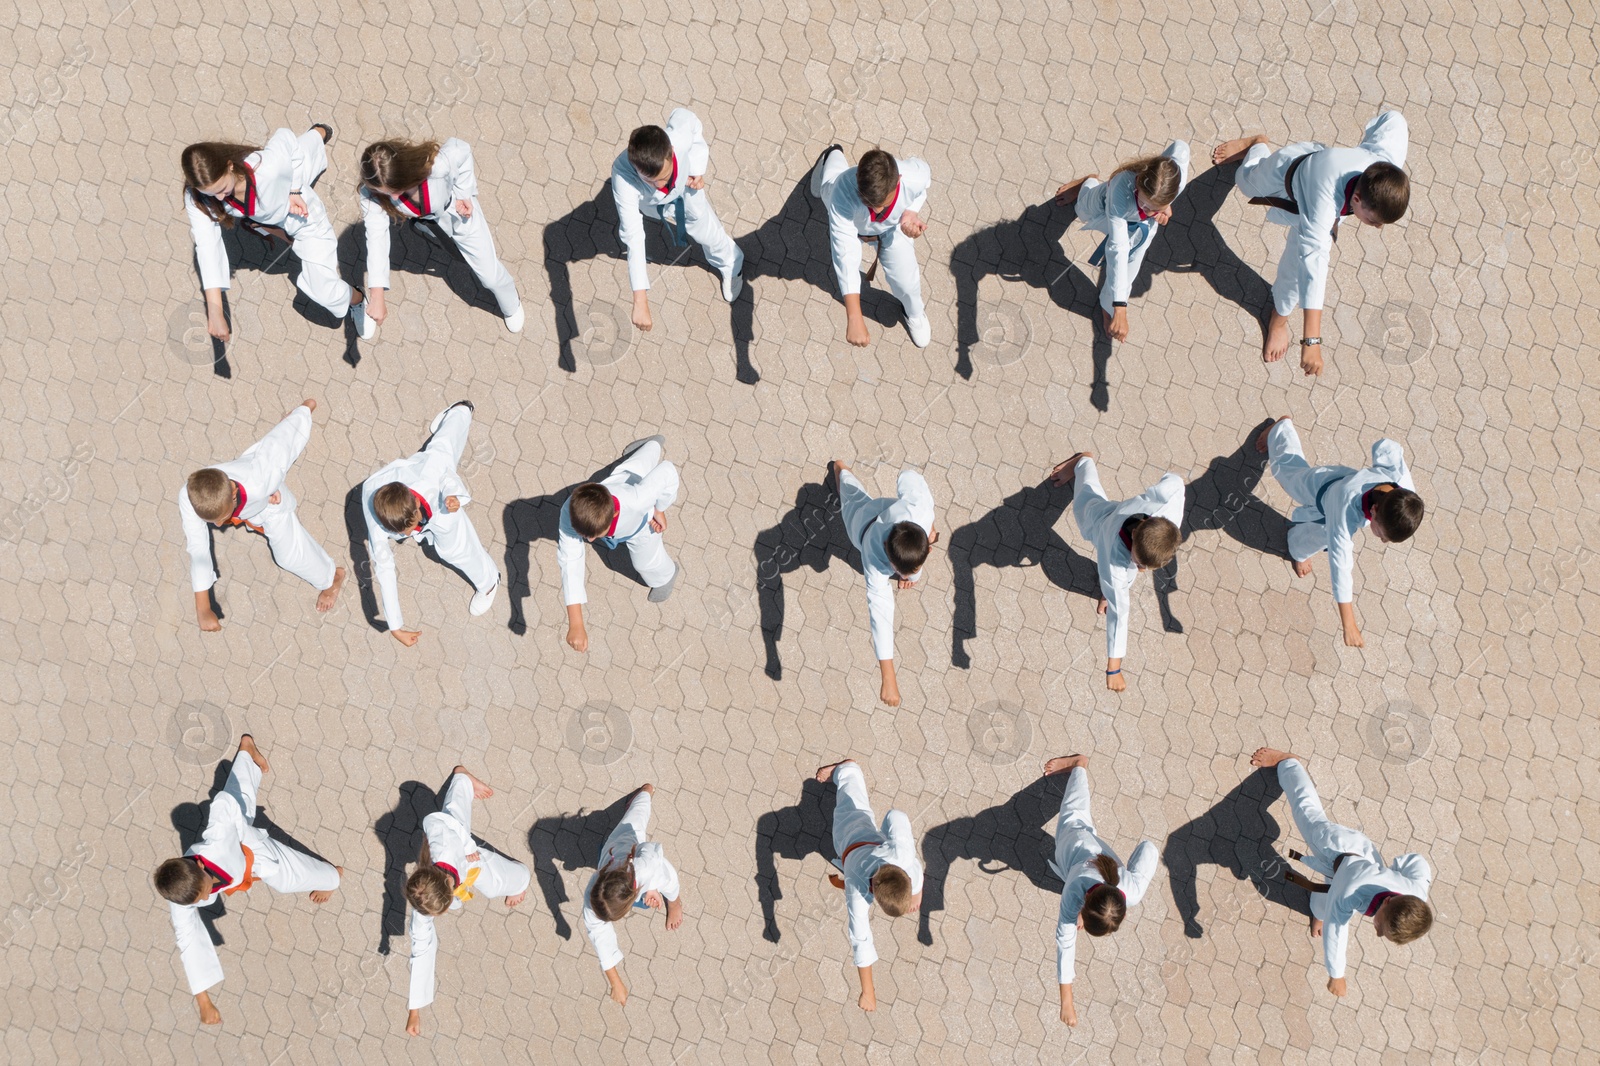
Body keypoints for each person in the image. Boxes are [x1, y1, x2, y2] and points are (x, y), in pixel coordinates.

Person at [154, 735, 341, 1027]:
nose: (205, 900)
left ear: (199, 864)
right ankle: (246, 753)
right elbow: (187, 939)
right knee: (241, 802)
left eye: (204, 893)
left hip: (255, 853)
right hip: (237, 857)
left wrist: (239, 826)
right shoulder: (182, 894)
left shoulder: (216, 838)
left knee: (290, 879)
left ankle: (332, 876)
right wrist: (204, 1001)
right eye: (200, 900)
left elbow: (224, 806)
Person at [1213, 111, 1410, 373]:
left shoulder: (1386, 163)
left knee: (1294, 273)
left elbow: (1394, 120)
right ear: (1358, 199)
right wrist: (1311, 342)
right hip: (1288, 175)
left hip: (1322, 202)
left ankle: (1278, 321)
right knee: (1246, 182)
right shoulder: (1324, 203)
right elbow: (1315, 266)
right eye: (1374, 221)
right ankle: (1257, 144)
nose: (1377, 227)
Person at [1250, 747, 1434, 997]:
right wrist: (1337, 975)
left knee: (1328, 902)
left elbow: (1417, 863)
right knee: (1307, 812)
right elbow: (1336, 932)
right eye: (1381, 925)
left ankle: (1318, 910)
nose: (1378, 931)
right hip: (1336, 848)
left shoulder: (1416, 894)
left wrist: (1393, 870)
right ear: (1388, 899)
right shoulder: (1350, 890)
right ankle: (1288, 764)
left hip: (1360, 864)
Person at [182, 124, 376, 342]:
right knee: (297, 161)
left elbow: (284, 135)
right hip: (274, 215)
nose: (218, 199)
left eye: (220, 189)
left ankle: (357, 298)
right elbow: (208, 246)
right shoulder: (197, 199)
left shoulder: (267, 167)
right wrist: (215, 310)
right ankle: (318, 134)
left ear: (229, 166)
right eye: (209, 193)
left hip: (303, 216)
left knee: (323, 289)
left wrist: (294, 190)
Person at [179, 399, 345, 631]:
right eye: (212, 521)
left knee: (288, 557)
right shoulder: (190, 496)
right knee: (267, 456)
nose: (218, 524)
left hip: (269, 504)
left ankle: (333, 578)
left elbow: (284, 442)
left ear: (234, 491)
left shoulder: (262, 477)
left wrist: (304, 410)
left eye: (221, 517)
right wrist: (203, 609)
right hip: (258, 493)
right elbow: (198, 548)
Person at [1257, 417, 1423, 648]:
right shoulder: (1345, 510)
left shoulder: (1400, 487)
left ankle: (1297, 548)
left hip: (1342, 487)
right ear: (1374, 511)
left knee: (1320, 533)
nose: (1382, 540)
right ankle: (1280, 430)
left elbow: (1386, 447)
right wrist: (1350, 624)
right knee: (1288, 474)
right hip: (1321, 487)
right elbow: (1340, 563)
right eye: (1382, 535)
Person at [403, 766, 530, 1036]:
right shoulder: (423, 902)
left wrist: (469, 848)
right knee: (457, 816)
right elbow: (421, 949)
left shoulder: (445, 844)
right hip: (459, 871)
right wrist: (414, 1011)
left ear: (447, 885)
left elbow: (438, 821)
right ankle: (462, 782)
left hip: (463, 857)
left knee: (500, 879)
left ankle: (462, 778)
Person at [362, 401, 500, 646]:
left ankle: (489, 583)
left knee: (456, 549)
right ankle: (458, 414)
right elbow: (384, 567)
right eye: (404, 532)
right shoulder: (375, 519)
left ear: (415, 500)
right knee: (443, 445)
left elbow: (447, 475)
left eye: (412, 525)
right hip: (421, 482)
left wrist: (453, 496)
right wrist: (395, 627)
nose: (409, 535)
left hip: (441, 503)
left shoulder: (431, 474)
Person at [358, 136, 524, 332]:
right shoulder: (371, 194)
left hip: (461, 216)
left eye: (397, 189)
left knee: (490, 276)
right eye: (385, 192)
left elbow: (461, 149)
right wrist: (377, 294)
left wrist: (464, 193)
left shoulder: (436, 166)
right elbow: (376, 237)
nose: (393, 198)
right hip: (430, 226)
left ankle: (511, 303)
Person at [1050, 452, 1183, 690]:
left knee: (1120, 582)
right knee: (1086, 503)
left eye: (1146, 566)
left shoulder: (1167, 511)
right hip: (1102, 523)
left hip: (1124, 512)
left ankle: (1107, 591)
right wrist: (1114, 668)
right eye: (1141, 563)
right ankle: (1082, 462)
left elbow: (1174, 482)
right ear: (1135, 535)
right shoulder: (1114, 562)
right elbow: (1119, 614)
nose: (1142, 569)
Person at [1041, 752, 1157, 1027]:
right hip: (1075, 837)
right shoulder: (1074, 889)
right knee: (1075, 806)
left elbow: (1148, 848)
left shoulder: (1132, 890)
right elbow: (1065, 942)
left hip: (1095, 856)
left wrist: (1127, 869)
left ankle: (1079, 770)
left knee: (1079, 805)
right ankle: (1079, 762)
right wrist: (1066, 1000)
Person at [612, 109, 744, 333]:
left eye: (664, 176)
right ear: (637, 169)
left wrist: (696, 168)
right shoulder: (623, 179)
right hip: (657, 207)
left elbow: (689, 118)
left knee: (703, 226)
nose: (661, 185)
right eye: (651, 181)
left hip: (687, 188)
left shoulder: (679, 136)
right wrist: (640, 300)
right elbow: (633, 236)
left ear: (671, 150)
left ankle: (732, 261)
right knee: (683, 219)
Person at [814, 759, 923, 1012]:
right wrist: (868, 993)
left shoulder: (902, 855)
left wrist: (915, 892)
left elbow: (897, 816)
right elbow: (860, 939)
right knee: (850, 796)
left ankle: (850, 773)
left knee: (860, 804)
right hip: (850, 838)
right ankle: (844, 768)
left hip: (875, 848)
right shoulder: (857, 891)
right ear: (871, 892)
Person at [1055, 140, 1191, 343]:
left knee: (1128, 274)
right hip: (1106, 209)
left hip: (1140, 230)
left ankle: (1106, 307)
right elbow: (1117, 249)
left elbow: (1181, 147)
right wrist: (1121, 308)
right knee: (1081, 211)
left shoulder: (1175, 181)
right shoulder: (1121, 186)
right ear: (1139, 182)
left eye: (1153, 207)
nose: (1146, 210)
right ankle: (1087, 182)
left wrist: (1166, 207)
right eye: (1143, 201)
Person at [558, 435, 681, 652]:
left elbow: (668, 471)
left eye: (595, 535)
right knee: (635, 465)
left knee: (646, 563)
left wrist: (660, 509)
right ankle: (651, 445)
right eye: (585, 535)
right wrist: (576, 622)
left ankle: (666, 576)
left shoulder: (637, 500)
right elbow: (570, 559)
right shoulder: (568, 511)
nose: (589, 541)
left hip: (641, 525)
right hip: (620, 482)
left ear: (614, 513)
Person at [830, 461, 937, 707]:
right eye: (903, 573)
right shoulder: (874, 561)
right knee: (847, 489)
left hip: (892, 519)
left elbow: (908, 476)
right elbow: (880, 613)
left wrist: (930, 524)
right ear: (890, 564)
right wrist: (888, 677)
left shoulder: (920, 511)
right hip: (860, 521)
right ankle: (839, 468)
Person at [811, 145, 932, 347]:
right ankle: (832, 154)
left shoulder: (914, 176)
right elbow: (845, 254)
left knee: (907, 281)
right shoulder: (842, 193)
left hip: (891, 230)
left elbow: (923, 187)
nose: (876, 209)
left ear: (898, 181)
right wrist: (854, 316)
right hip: (851, 222)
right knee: (827, 187)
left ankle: (915, 313)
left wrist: (910, 213)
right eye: (868, 202)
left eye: (882, 204)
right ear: (858, 179)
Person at [581, 784, 685, 1006]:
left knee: (637, 815)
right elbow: (599, 937)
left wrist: (670, 901)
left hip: (629, 838)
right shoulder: (593, 893)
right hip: (614, 845)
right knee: (630, 818)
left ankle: (647, 790)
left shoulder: (648, 868)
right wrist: (616, 982)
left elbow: (667, 874)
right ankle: (643, 794)